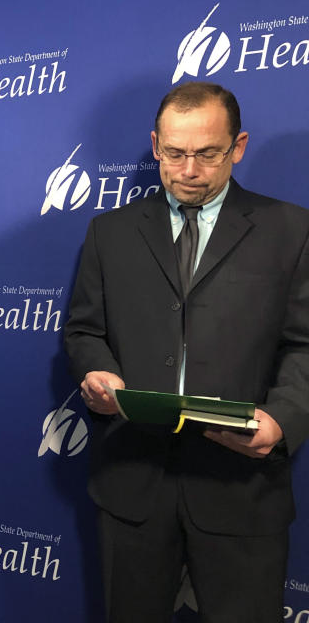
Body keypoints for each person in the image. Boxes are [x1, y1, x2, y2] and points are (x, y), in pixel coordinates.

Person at [64, 81, 309, 622]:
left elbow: (305, 346)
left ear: (238, 146)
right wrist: (99, 374)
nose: (189, 170)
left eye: (207, 153)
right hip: (133, 485)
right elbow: (84, 331)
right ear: (155, 145)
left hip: (241, 489)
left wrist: (283, 420)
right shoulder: (110, 232)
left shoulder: (292, 230)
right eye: (175, 154)